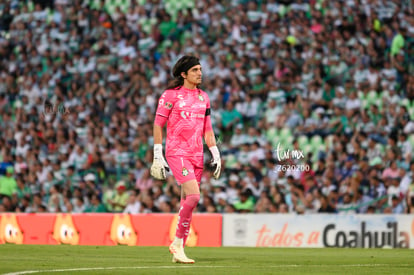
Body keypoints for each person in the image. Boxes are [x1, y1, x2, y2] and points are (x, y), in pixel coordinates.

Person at [150, 55, 221, 264]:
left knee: (187, 201)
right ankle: (178, 243)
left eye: (200, 69)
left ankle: (179, 249)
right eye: (195, 70)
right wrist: (157, 154)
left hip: (197, 154)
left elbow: (208, 129)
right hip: (177, 152)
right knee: (194, 196)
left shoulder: (204, 97)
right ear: (184, 74)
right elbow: (157, 124)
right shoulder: (170, 95)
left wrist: (215, 153)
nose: (200, 73)